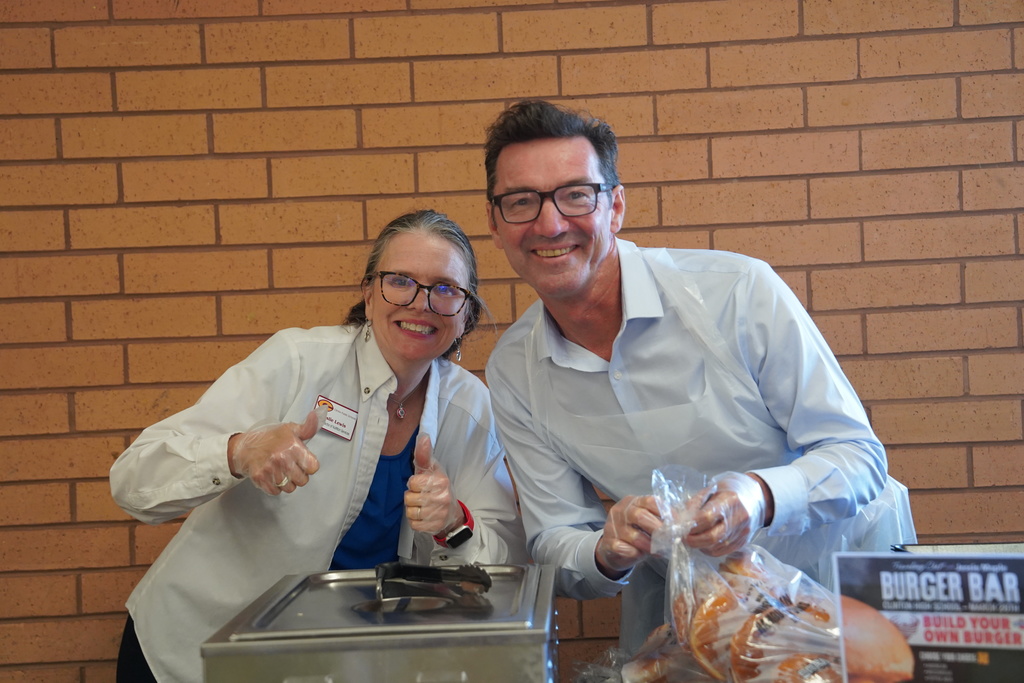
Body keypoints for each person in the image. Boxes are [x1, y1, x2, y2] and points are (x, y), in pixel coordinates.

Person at [481, 100, 916, 653]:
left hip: (838, 582)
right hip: (695, 615)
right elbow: (554, 538)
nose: (549, 223)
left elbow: (857, 455)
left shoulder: (736, 291)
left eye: (575, 195)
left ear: (615, 207)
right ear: (495, 226)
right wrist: (604, 549)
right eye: (521, 202)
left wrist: (759, 495)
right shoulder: (515, 368)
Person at [110, 209, 528, 683]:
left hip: (333, 663)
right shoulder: (299, 362)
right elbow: (132, 479)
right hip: (195, 655)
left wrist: (454, 522)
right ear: (369, 294)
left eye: (445, 289)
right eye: (400, 281)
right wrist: (238, 451)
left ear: (466, 312)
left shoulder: (471, 409)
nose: (421, 303)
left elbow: (505, 570)